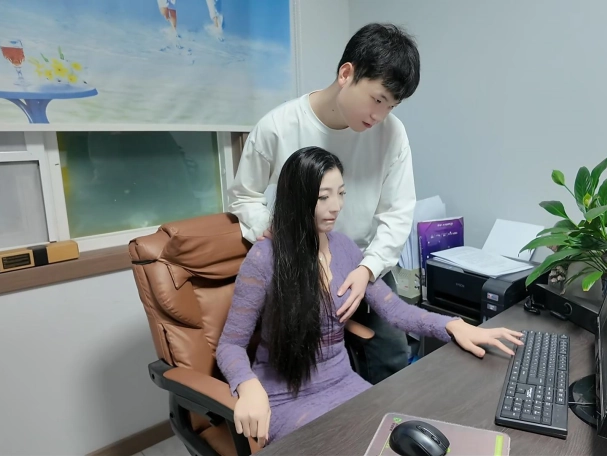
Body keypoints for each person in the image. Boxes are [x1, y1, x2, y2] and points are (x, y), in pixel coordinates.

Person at [216, 147, 524, 447]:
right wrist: (248, 385)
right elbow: (230, 344)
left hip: (344, 384)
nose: (336, 206)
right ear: (296, 199)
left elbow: (396, 311)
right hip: (283, 397)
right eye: (324, 197)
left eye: (341, 193)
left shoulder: (345, 248)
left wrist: (454, 325)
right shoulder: (264, 258)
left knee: (394, 439)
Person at [228, 23, 423, 384]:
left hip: (363, 264)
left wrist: (367, 270)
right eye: (377, 99)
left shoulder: (392, 134)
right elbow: (244, 194)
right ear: (346, 74)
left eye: (391, 106)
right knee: (308, 374)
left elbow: (397, 213)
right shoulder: (278, 126)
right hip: (300, 269)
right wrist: (269, 228)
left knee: (392, 358)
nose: (380, 115)